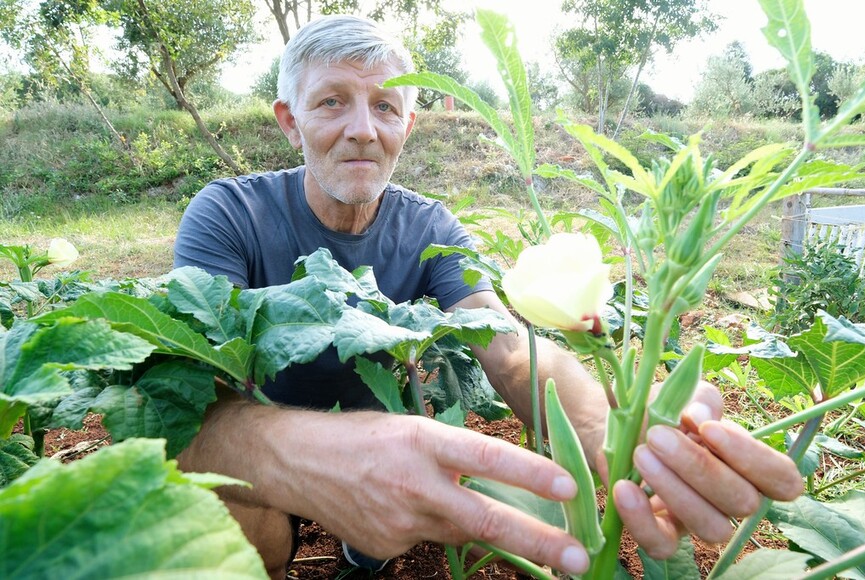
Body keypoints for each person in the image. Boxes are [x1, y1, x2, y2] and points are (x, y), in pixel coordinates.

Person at [173, 14, 803, 579]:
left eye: (386, 107)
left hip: (380, 436)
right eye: (333, 102)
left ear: (408, 125)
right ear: (290, 120)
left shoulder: (430, 228)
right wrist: (311, 457)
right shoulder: (230, 214)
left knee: (384, 542)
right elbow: (194, 402)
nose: (363, 130)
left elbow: (509, 351)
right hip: (265, 448)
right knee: (241, 532)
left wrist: (611, 428)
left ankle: (361, 558)